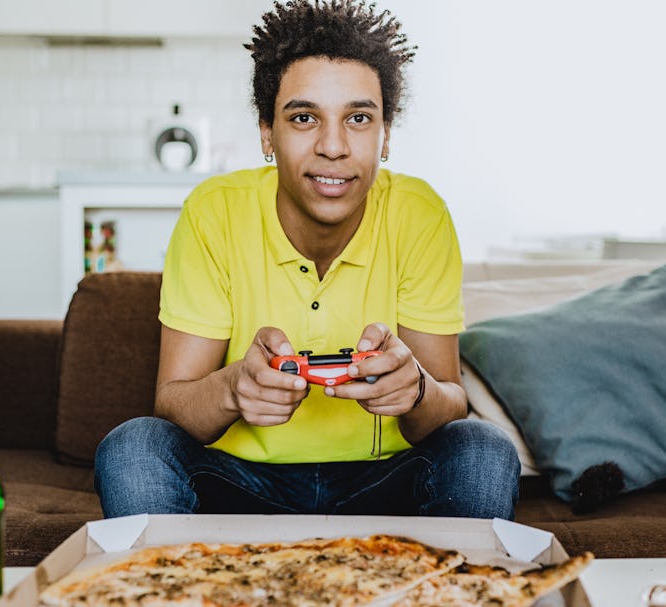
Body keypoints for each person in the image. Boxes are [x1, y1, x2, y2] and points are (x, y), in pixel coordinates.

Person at [94, 0, 519, 519]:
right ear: (267, 133)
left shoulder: (420, 215)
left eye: (359, 118)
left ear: (385, 136)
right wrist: (233, 389)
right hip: (242, 484)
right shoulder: (213, 213)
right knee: (133, 445)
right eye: (303, 118)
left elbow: (448, 406)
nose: (333, 146)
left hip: (383, 483)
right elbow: (173, 406)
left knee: (482, 447)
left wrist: (417, 389)